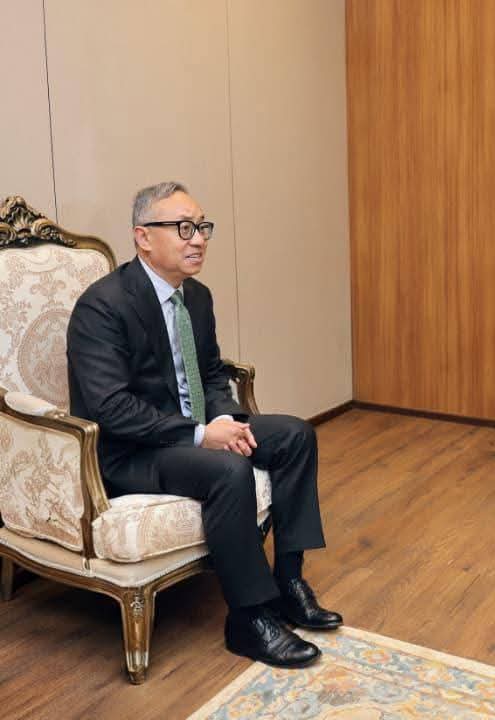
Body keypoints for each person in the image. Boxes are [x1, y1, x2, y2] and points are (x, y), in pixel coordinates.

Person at [67, 181, 341, 668]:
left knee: (295, 435)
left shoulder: (196, 297)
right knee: (228, 470)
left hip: (193, 429)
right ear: (143, 237)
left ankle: (288, 582)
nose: (198, 240)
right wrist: (199, 435)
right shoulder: (102, 306)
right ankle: (249, 619)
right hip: (132, 452)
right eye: (183, 228)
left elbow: (211, 373)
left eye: (201, 228)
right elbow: (111, 408)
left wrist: (223, 418)